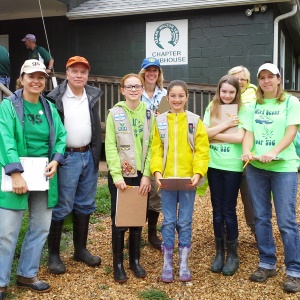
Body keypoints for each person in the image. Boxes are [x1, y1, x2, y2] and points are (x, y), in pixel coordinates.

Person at [0, 59, 66, 298]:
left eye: (41, 77)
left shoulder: (48, 106)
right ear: (22, 78)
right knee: (7, 231)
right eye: (31, 76)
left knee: (40, 228)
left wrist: (56, 160)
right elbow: (4, 138)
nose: (36, 81)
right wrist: (15, 173)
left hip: (43, 176)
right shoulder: (8, 106)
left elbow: (60, 135)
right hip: (14, 175)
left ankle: (27, 274)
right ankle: (0, 281)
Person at [242, 63, 300, 293]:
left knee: (286, 219)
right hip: (256, 167)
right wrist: (247, 151)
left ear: (279, 79)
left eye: (271, 77)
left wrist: (274, 152)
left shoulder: (290, 102)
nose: (266, 81)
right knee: (261, 217)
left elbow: (291, 131)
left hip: (283, 167)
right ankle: (267, 263)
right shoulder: (252, 105)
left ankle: (294, 270)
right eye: (262, 77)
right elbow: (248, 133)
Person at [45, 56, 103, 275]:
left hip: (89, 154)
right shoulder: (55, 98)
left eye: (83, 72)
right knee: (62, 205)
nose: (79, 76)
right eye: (75, 71)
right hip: (66, 158)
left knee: (85, 203)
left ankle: (80, 249)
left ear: (87, 75)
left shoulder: (92, 95)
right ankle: (53, 255)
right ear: (66, 73)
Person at [151, 80, 210, 282]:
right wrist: (157, 172)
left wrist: (199, 173)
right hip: (166, 181)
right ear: (167, 98)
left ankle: (183, 263)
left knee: (184, 221)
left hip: (188, 181)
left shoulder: (195, 121)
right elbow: (156, 149)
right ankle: (167, 264)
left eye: (180, 96)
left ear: (187, 97)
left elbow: (202, 151)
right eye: (173, 96)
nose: (177, 99)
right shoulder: (159, 121)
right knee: (168, 221)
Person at [105, 73, 154, 283]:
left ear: (143, 89)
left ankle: (135, 261)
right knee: (119, 219)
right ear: (122, 90)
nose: (134, 90)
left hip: (141, 176)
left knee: (136, 218)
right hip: (121, 177)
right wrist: (116, 175)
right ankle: (118, 263)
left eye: (137, 86)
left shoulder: (150, 114)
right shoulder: (114, 113)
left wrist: (148, 175)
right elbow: (110, 146)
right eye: (129, 87)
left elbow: (153, 145)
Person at [203, 75, 246, 276]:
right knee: (216, 209)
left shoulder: (243, 110)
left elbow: (240, 137)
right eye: (224, 91)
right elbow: (202, 134)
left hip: (232, 166)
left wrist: (214, 133)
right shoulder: (211, 107)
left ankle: (233, 254)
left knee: (228, 209)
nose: (227, 95)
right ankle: (219, 252)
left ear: (237, 93)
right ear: (218, 90)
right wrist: (226, 126)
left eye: (231, 92)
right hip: (214, 164)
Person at [138, 57, 167, 249]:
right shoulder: (135, 91)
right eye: (148, 70)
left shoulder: (165, 94)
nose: (152, 73)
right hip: (138, 146)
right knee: (138, 189)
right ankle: (135, 231)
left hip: (158, 146)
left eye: (155, 70)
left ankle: (152, 233)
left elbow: (170, 117)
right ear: (143, 72)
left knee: (156, 192)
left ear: (159, 73)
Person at [228, 66, 257, 236]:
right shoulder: (222, 99)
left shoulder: (255, 99)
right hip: (227, 157)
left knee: (251, 199)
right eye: (236, 78)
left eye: (243, 79)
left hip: (249, 157)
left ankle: (257, 232)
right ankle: (227, 234)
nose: (240, 82)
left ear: (248, 82)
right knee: (227, 200)